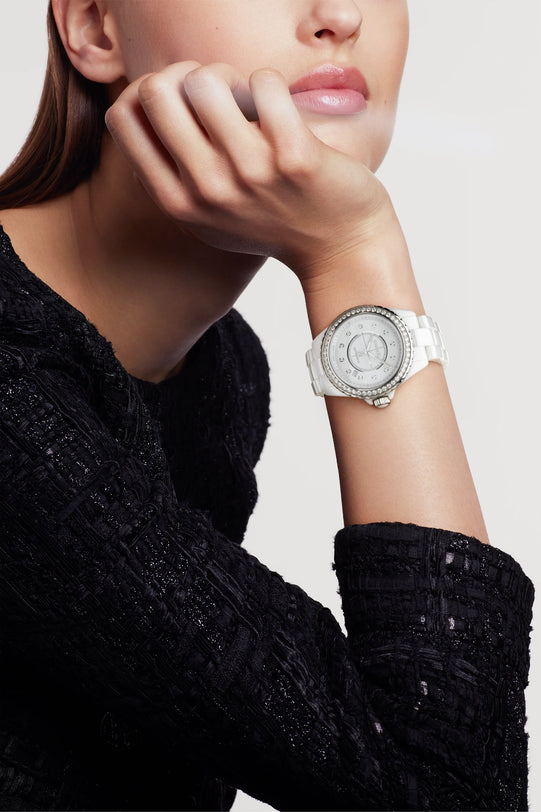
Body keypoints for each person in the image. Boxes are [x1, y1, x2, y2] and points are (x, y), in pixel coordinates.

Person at [0, 0, 533, 810]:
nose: (338, 15)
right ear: (95, 29)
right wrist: (354, 252)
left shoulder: (222, 369)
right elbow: (441, 787)